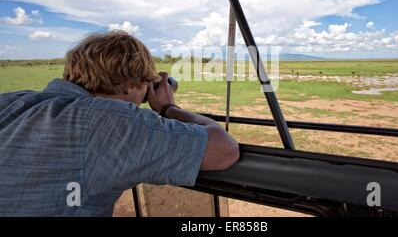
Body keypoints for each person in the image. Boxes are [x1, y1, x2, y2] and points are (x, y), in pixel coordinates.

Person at [0, 31, 239, 216]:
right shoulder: (106, 120)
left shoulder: (11, 102)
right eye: (146, 84)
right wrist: (168, 107)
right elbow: (223, 150)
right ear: (128, 85)